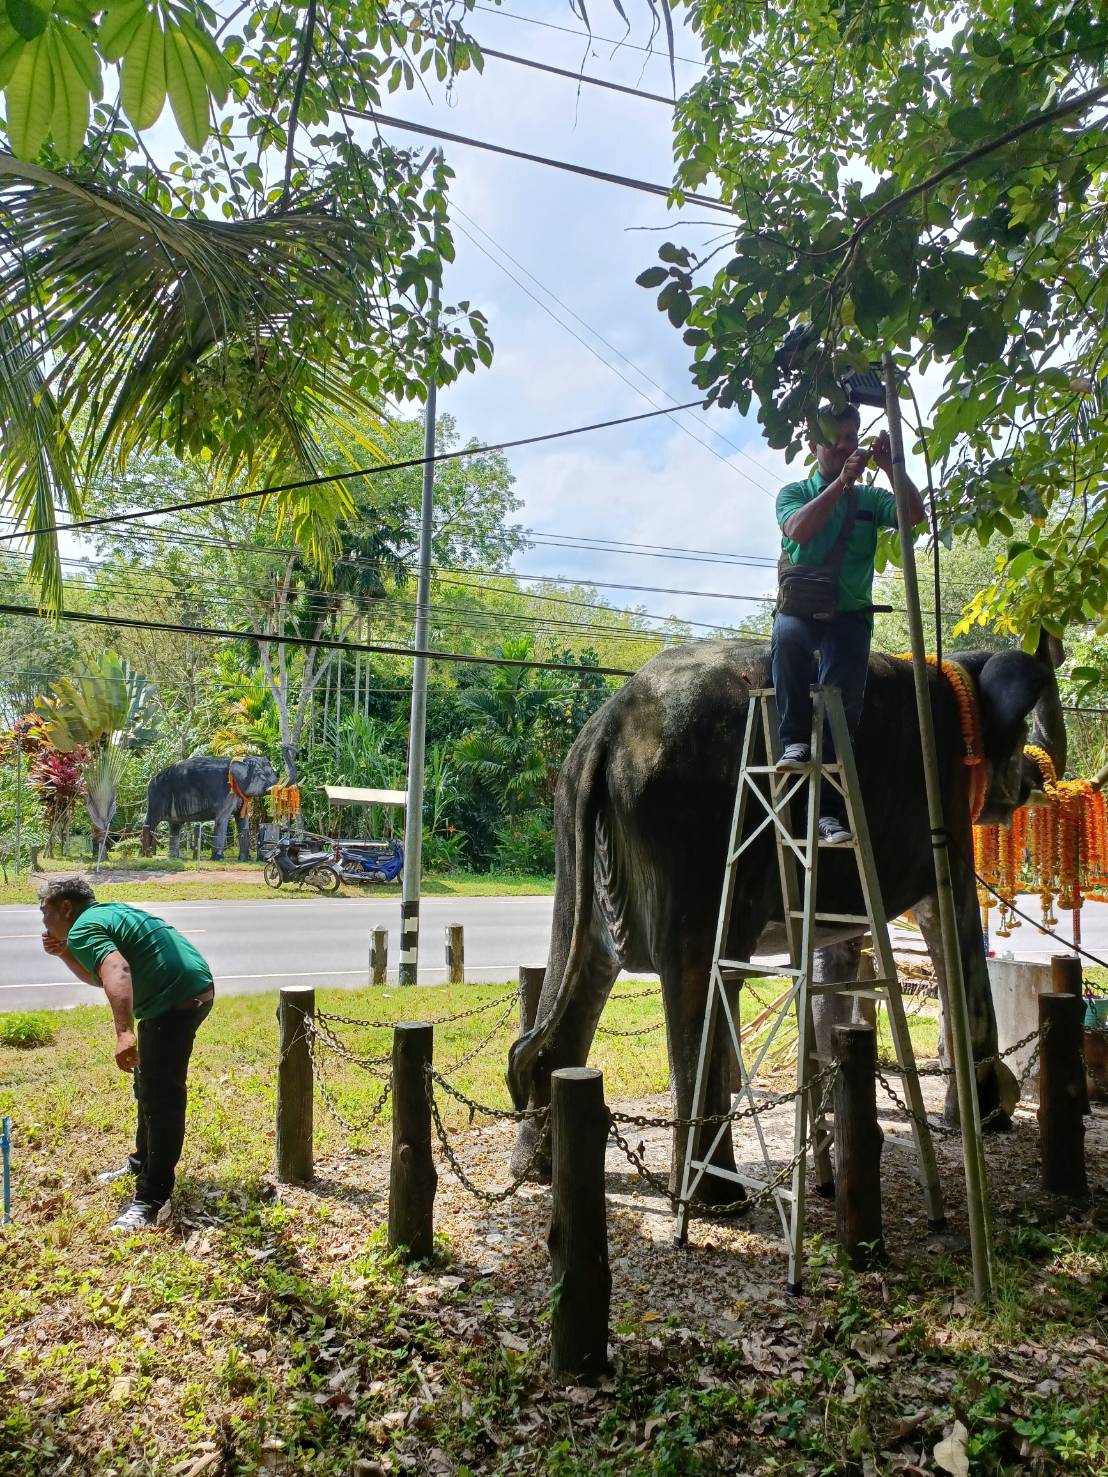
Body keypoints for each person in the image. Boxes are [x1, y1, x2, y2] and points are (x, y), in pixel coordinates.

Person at [771, 404, 925, 843]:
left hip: (849, 618)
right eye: (836, 441)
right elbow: (798, 531)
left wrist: (892, 468)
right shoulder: (793, 492)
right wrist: (840, 484)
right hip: (800, 610)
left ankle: (828, 815)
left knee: (842, 714)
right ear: (815, 444)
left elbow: (912, 517)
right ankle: (793, 740)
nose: (845, 448)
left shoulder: (870, 499)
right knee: (787, 639)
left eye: (851, 441)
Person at [39, 877, 215, 1231]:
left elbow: (117, 969)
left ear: (65, 907)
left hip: (173, 1002)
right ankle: (141, 1161)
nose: (43, 923)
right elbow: (99, 976)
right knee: (146, 1087)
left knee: (160, 1098)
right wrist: (65, 952)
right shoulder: (104, 915)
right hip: (188, 991)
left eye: (45, 914)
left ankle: (153, 1196)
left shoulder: (86, 926)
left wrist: (123, 1032)